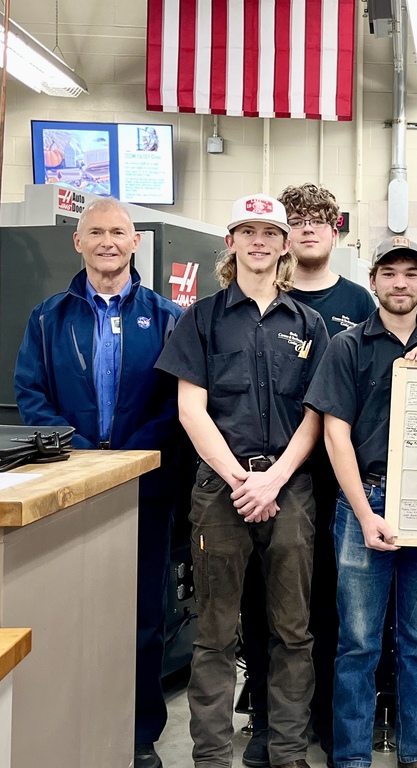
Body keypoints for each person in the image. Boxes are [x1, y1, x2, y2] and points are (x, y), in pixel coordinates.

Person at [156, 194, 329, 768]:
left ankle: (286, 753)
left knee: (293, 631)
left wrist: (274, 480)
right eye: (246, 231)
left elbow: (317, 414)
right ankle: (210, 758)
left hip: (290, 490)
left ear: (284, 246)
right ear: (230, 242)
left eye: (269, 232)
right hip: (220, 491)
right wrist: (240, 480)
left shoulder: (310, 323)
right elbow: (191, 410)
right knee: (214, 633)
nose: (259, 241)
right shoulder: (201, 318)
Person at [14, 198, 183, 768]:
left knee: (143, 619)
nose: (108, 241)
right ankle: (69, 727)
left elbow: (178, 402)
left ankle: (139, 736)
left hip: (146, 490)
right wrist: (84, 457)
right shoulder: (48, 317)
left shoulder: (166, 318)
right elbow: (31, 395)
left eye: (118, 232)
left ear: (136, 242)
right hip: (68, 487)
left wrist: (130, 458)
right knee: (69, 610)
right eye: (96, 232)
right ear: (78, 242)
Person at [304, 236, 417, 768]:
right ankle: (351, 757)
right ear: (373, 281)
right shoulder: (346, 347)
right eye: (389, 273)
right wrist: (365, 510)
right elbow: (335, 436)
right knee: (357, 644)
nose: (400, 283)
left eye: (411, 273)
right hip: (363, 503)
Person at [239, 183, 375, 767]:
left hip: (333, 478)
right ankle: (268, 721)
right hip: (268, 481)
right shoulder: (268, 295)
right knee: (260, 604)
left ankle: (317, 716)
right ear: (282, 232)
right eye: (298, 220)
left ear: (336, 231)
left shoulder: (359, 301)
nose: (310, 229)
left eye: (322, 220)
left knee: (326, 606)